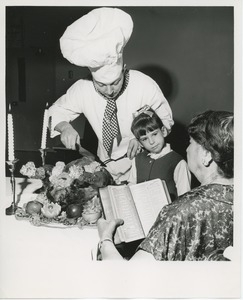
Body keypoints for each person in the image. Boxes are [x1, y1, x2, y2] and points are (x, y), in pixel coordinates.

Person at [48, 7, 173, 183]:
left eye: (115, 83)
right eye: (101, 85)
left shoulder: (144, 84)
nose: (109, 91)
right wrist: (65, 127)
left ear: (123, 69)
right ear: (92, 78)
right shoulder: (83, 89)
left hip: (144, 160)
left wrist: (141, 137)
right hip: (104, 164)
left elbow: (166, 121)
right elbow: (56, 111)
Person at [97, 110, 234, 261]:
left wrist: (106, 239)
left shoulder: (179, 212)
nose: (187, 149)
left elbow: (130, 277)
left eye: (190, 143)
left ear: (207, 155)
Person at [128, 105, 191, 199]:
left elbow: (185, 197)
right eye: (144, 139)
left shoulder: (178, 162)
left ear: (164, 131)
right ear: (140, 143)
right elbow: (131, 188)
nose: (151, 142)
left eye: (154, 134)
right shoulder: (137, 160)